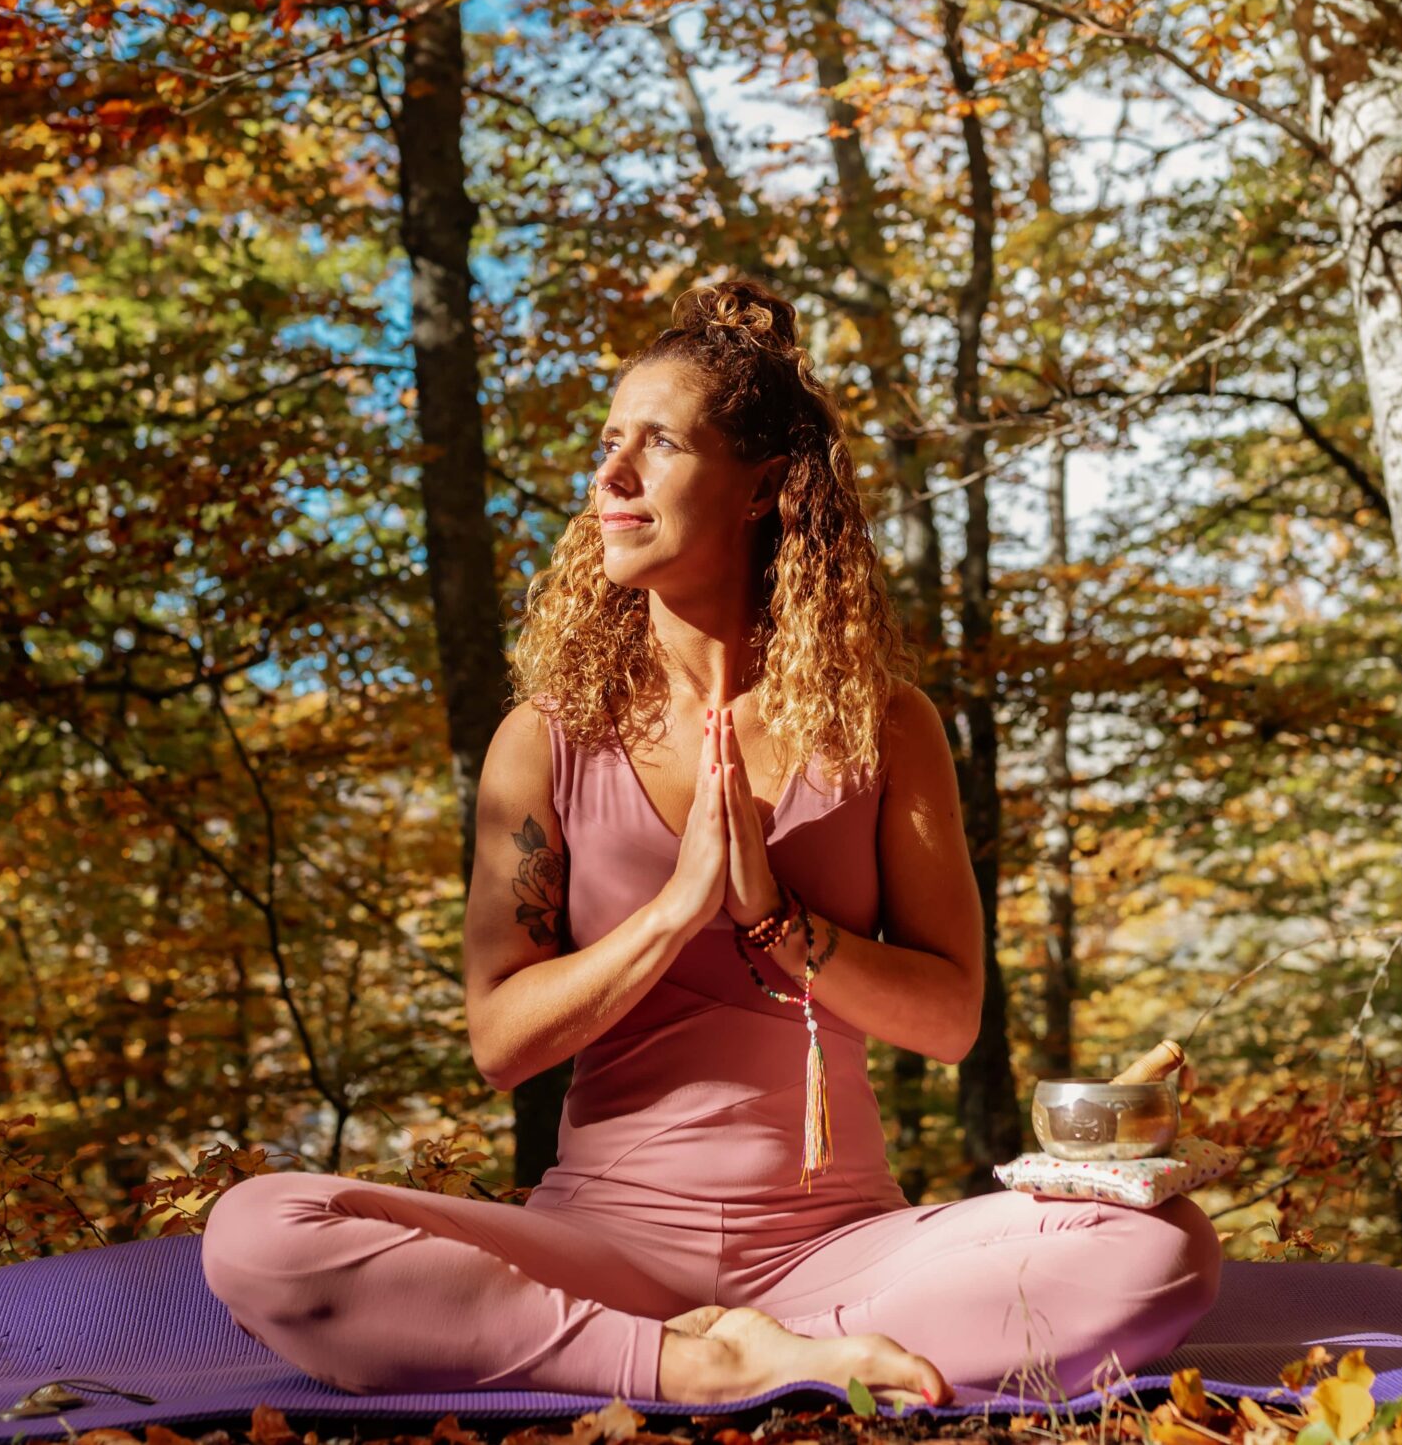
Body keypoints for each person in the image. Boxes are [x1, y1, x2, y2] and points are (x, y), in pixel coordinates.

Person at [200, 278, 1221, 1407]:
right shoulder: (544, 740)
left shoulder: (884, 726)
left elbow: (950, 1015)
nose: (610, 475)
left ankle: (767, 1345)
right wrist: (677, 905)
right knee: (260, 1231)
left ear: (762, 487)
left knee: (1158, 1245)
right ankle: (696, 1359)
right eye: (607, 442)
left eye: (661, 443)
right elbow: (499, 1039)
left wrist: (780, 924)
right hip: (605, 1249)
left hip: (843, 1251)